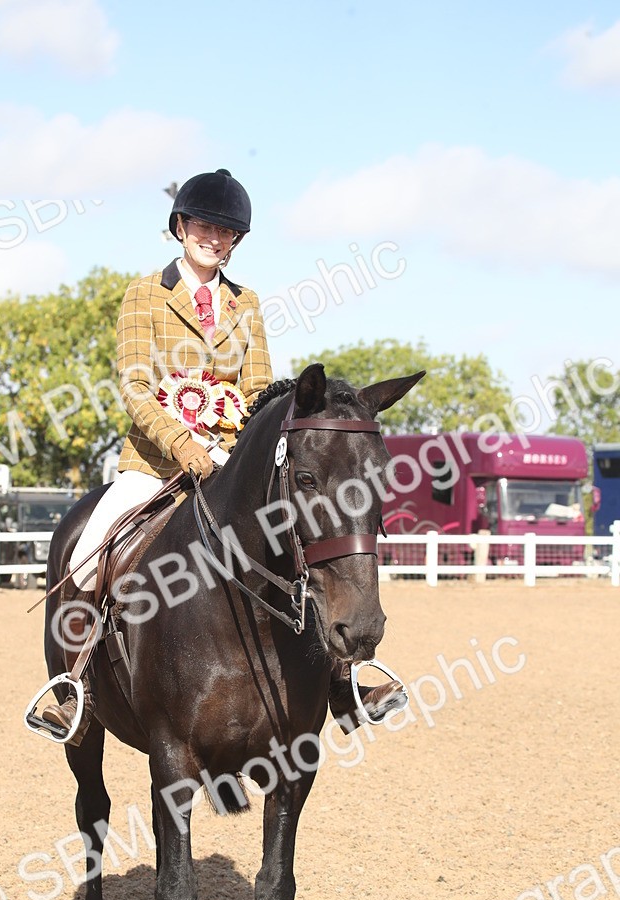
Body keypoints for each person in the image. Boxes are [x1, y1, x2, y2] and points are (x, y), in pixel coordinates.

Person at [41, 168, 404, 742]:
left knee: (300, 540)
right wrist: (183, 445)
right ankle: (74, 687)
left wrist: (237, 446)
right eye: (204, 226)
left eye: (226, 231)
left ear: (236, 240)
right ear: (181, 226)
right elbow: (136, 387)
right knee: (87, 554)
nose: (214, 238)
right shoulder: (145, 294)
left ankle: (344, 680)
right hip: (156, 462)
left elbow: (259, 392)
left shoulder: (246, 303)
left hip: (232, 462)